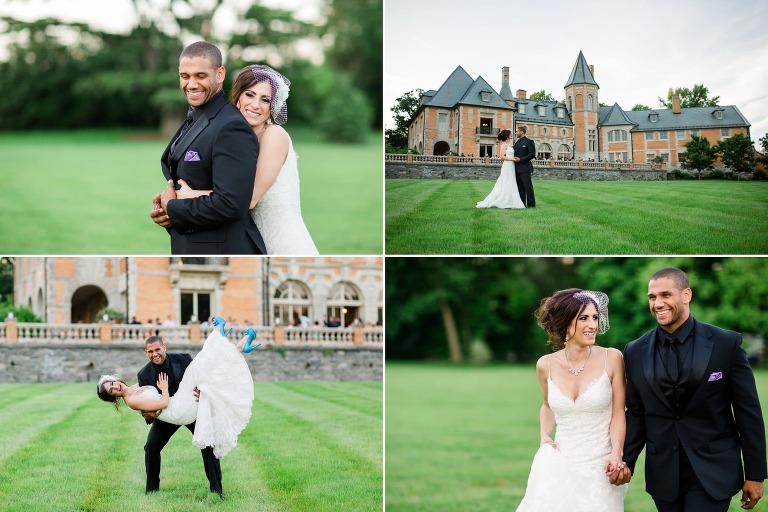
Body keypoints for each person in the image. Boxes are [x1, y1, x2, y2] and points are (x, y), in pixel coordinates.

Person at [620, 267, 766, 511]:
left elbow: (747, 412)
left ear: (686, 295)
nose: (657, 303)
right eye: (652, 297)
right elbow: (635, 412)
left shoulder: (726, 343)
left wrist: (756, 474)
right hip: (664, 472)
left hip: (714, 469)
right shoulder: (635, 351)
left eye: (665, 295)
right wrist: (626, 462)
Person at [96, 318, 260, 495]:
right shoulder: (143, 374)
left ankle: (216, 491)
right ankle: (152, 491)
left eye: (157, 349)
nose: (155, 354)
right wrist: (148, 414)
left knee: (208, 444)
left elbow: (202, 376)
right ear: (146, 353)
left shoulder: (183, 359)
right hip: (169, 414)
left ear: (164, 347)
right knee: (151, 447)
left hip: (191, 407)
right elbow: (147, 407)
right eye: (150, 352)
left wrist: (201, 391)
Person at [175, 64, 318, 255]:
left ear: (273, 106)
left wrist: (188, 195)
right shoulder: (233, 137)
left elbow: (248, 199)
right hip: (252, 241)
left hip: (283, 241)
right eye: (250, 95)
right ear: (238, 96)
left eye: (265, 100)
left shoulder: (274, 135)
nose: (256, 105)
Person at [149, 41, 267, 255]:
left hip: (225, 252)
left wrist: (173, 208)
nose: (191, 84)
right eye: (185, 76)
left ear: (220, 74)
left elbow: (231, 204)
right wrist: (168, 216)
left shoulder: (231, 126)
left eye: (200, 76)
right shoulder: (197, 118)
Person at [516, 289, 628, 511]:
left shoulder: (612, 358)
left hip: (601, 467)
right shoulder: (545, 365)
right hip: (560, 464)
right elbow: (547, 405)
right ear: (566, 323)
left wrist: (617, 452)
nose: (593, 325)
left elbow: (618, 413)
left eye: (595, 317)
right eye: (584, 318)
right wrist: (544, 435)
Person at [476, 129, 526, 209]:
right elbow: (501, 157)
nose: (512, 135)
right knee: (506, 181)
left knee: (511, 181)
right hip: (507, 165)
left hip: (512, 166)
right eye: (510, 134)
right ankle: (503, 199)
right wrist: (512, 159)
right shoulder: (503, 145)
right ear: (507, 135)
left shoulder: (510, 144)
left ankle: (511, 199)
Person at [512, 125, 536, 207]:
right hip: (516, 168)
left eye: (517, 131)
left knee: (528, 187)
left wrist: (521, 159)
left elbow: (532, 154)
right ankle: (522, 203)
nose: (516, 133)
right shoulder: (517, 142)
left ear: (522, 132)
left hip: (525, 168)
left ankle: (531, 204)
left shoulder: (529, 142)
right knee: (520, 187)